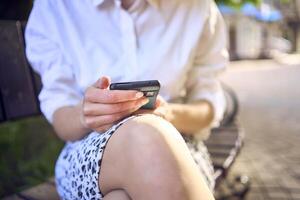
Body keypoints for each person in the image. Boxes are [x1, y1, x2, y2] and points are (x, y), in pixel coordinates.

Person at [25, 0, 228, 199]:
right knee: (147, 135)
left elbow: (207, 106)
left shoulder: (197, 6)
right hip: (86, 151)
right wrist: (85, 114)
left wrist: (168, 113)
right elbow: (61, 118)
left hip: (182, 145)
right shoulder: (53, 7)